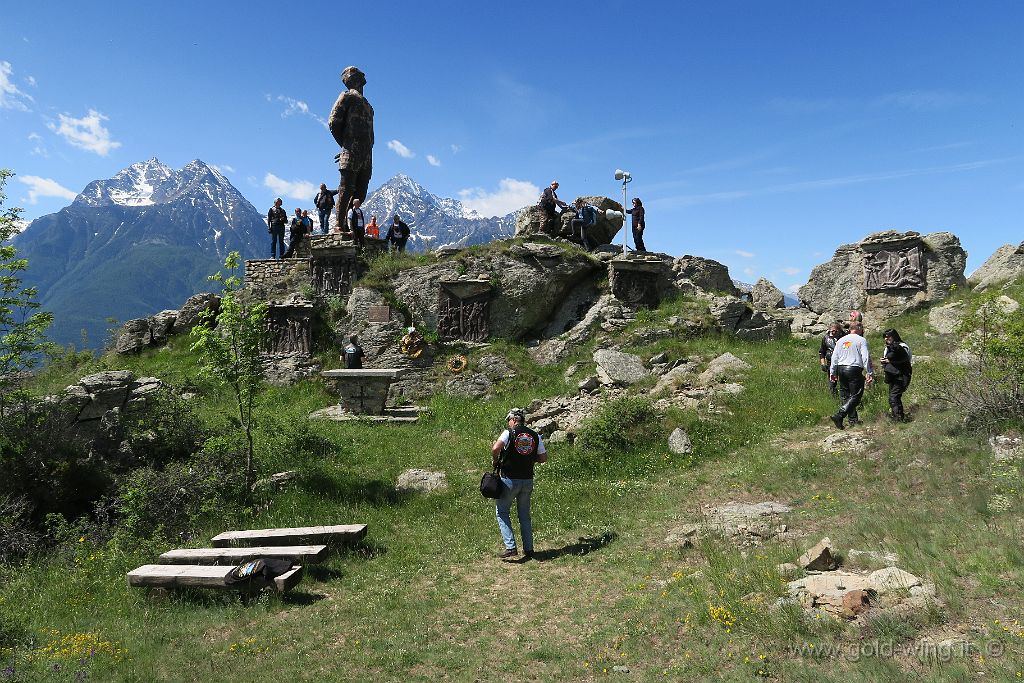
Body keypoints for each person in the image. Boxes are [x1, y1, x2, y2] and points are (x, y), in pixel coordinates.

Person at [491, 408, 548, 560]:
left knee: (502, 512)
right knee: (524, 516)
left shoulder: (508, 433)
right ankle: (529, 549)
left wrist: (496, 460)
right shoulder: (535, 435)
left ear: (514, 420)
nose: (508, 423)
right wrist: (529, 459)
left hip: (509, 479)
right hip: (527, 480)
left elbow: (496, 448)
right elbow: (543, 458)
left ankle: (510, 547)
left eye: (508, 420)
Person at [328, 66, 374, 228]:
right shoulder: (347, 97)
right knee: (346, 189)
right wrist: (345, 145)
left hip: (367, 153)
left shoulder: (368, 106)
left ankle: (351, 225)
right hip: (351, 149)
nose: (363, 75)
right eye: (359, 73)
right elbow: (333, 122)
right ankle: (339, 226)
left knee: (360, 192)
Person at [829, 321, 875, 429]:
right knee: (856, 395)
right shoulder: (861, 340)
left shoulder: (841, 340)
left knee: (845, 395)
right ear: (858, 328)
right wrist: (869, 372)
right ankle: (840, 415)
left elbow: (834, 357)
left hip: (841, 368)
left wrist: (832, 372)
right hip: (854, 368)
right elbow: (866, 357)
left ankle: (852, 420)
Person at [880, 328, 913, 422]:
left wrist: (890, 361)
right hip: (892, 375)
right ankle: (898, 417)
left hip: (902, 374)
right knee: (893, 396)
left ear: (894, 336)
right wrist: (884, 362)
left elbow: (905, 359)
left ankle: (898, 418)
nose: (886, 339)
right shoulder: (887, 348)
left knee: (894, 396)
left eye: (888, 337)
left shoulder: (903, 346)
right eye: (885, 337)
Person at [819, 321, 843, 396]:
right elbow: (821, 352)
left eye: (836, 331)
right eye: (832, 331)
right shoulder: (826, 338)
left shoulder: (843, 337)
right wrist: (823, 364)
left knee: (843, 381)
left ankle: (844, 396)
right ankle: (833, 396)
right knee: (832, 382)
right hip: (830, 362)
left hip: (842, 362)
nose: (834, 332)